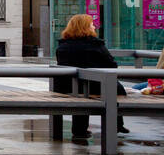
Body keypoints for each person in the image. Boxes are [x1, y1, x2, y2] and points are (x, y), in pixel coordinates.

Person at [54, 13, 128, 141]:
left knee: (80, 91)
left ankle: (79, 130)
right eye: (92, 25)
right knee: (113, 88)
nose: (94, 27)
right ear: (85, 28)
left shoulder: (63, 46)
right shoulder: (95, 45)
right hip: (95, 86)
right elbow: (111, 65)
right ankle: (117, 124)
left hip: (66, 87)